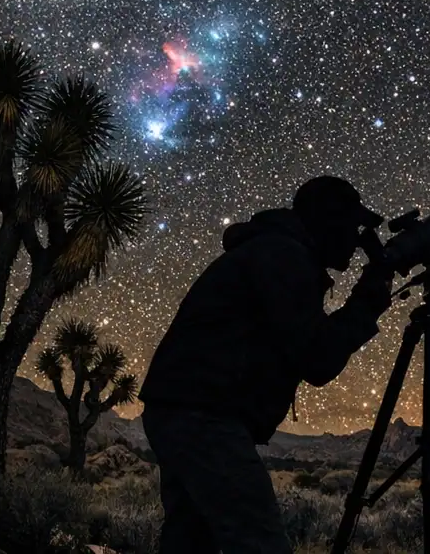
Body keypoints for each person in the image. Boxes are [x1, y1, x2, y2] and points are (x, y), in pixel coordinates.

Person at [140, 176, 397, 554]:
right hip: (204, 416)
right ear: (328, 222)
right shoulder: (284, 256)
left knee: (191, 539)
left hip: (183, 410)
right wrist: (369, 296)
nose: (358, 241)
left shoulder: (272, 251)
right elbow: (318, 359)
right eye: (352, 228)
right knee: (260, 542)